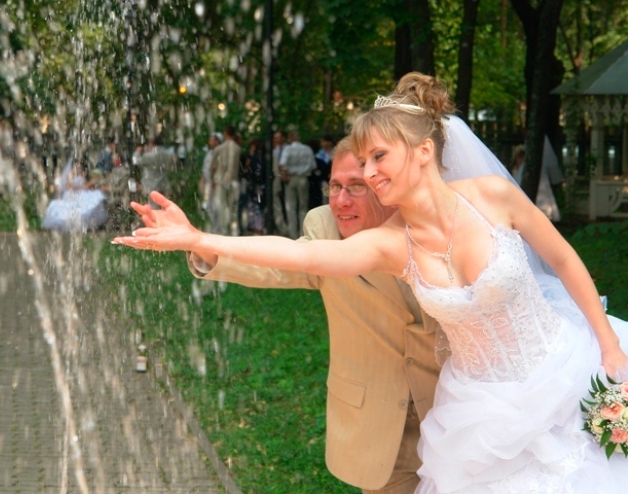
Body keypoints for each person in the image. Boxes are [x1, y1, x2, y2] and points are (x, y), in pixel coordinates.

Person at [115, 73, 628, 492]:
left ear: (423, 151)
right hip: (479, 418)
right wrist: (198, 238)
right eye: (362, 162)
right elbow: (301, 254)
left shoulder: (493, 195)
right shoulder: (390, 243)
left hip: (563, 374)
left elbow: (563, 259)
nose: (370, 171)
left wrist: (608, 346)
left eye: (378, 158)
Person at [132, 137, 439, 492]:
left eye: (356, 186)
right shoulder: (326, 229)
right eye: (334, 186)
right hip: (382, 428)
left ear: (386, 184)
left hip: (453, 416)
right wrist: (197, 241)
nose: (341, 201)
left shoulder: (437, 231)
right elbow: (277, 264)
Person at [42, 159, 108, 232]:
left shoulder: (83, 173)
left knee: (94, 197)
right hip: (72, 193)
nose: (79, 166)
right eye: (78, 164)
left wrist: (91, 184)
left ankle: (88, 224)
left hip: (82, 192)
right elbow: (70, 186)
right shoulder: (71, 173)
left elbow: (85, 185)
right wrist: (82, 187)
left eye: (80, 164)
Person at [279, 129, 317, 238]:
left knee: (291, 207)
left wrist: (284, 176)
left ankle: (293, 234)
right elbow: (313, 166)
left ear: (290, 139)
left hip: (291, 178)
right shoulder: (307, 149)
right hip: (303, 178)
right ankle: (302, 233)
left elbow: (283, 164)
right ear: (299, 138)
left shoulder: (288, 149)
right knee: (303, 207)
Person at [210, 125, 242, 235]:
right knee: (233, 206)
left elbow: (213, 166)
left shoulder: (219, 149)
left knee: (222, 206)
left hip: (220, 180)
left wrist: (213, 178)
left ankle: (224, 230)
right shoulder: (237, 148)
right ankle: (233, 229)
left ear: (225, 134)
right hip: (234, 180)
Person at [132, 135, 176, 207]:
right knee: (164, 206)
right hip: (164, 184)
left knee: (154, 208)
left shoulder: (149, 156)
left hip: (151, 186)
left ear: (152, 144)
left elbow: (135, 161)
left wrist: (137, 151)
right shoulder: (167, 155)